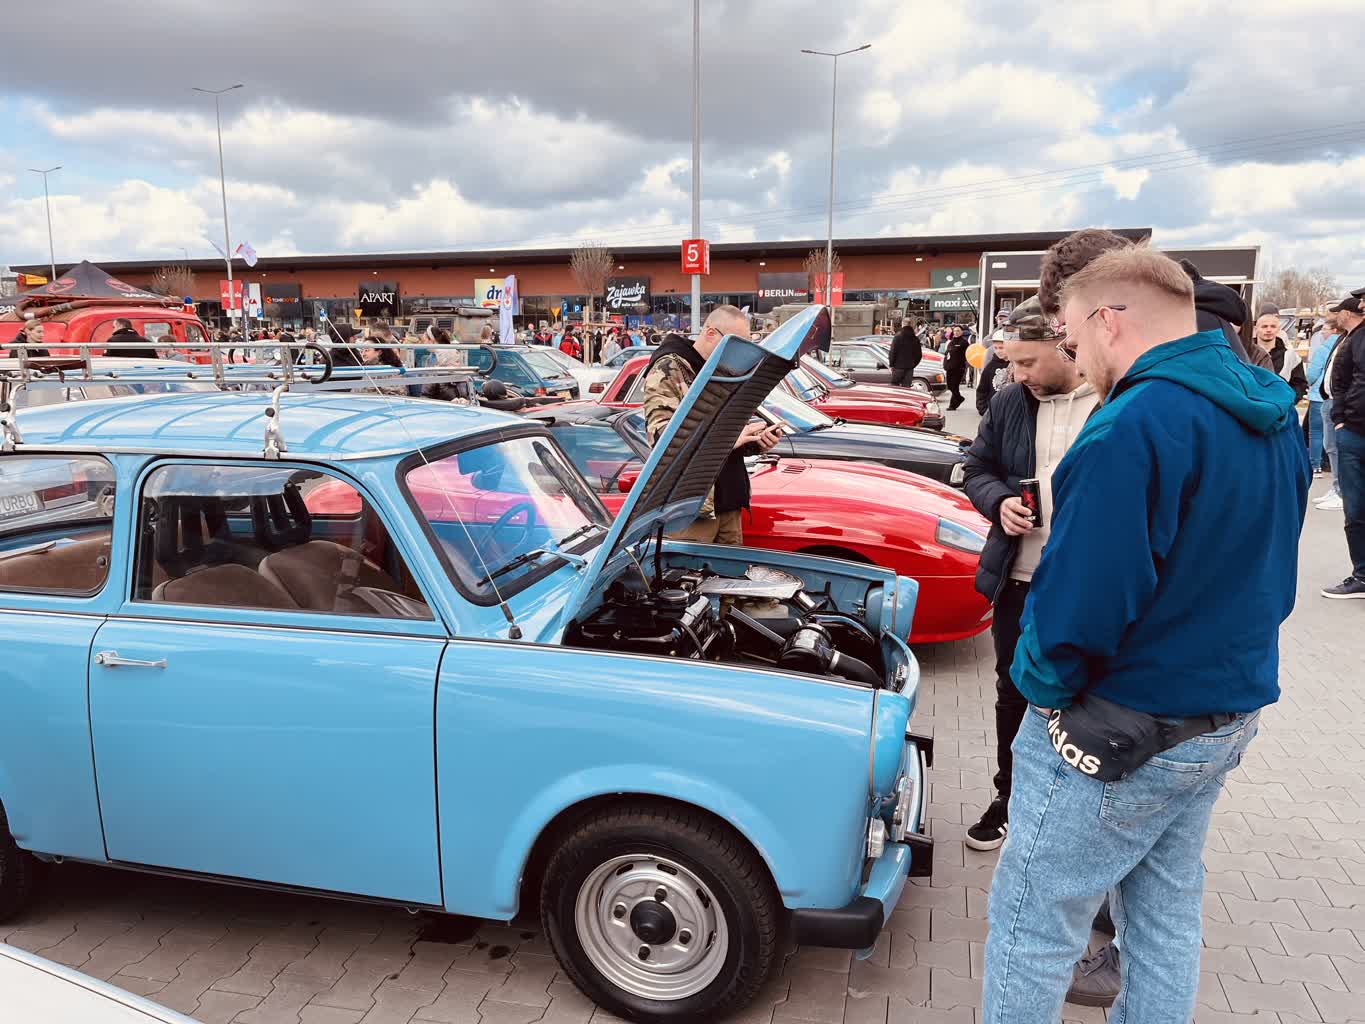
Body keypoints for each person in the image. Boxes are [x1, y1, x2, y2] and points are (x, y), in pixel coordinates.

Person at [981, 244, 1308, 1022]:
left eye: (1070, 338)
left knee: (1031, 928)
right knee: (1162, 916)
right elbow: (1271, 558)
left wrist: (1041, 694)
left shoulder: (1129, 426)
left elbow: (1080, 609)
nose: (1073, 357)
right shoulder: (1266, 408)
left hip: (1120, 724)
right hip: (1221, 712)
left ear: (1107, 319)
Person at [962, 296, 1097, 853]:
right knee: (1013, 691)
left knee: (1083, 698)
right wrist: (998, 503)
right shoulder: (1010, 402)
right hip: (1017, 577)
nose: (1016, 374)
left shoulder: (1114, 398)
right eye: (1010, 362)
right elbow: (976, 467)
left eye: (1026, 362)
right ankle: (1009, 797)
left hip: (1085, 587)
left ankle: (1072, 813)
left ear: (1065, 346)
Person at [641, 305, 781, 544]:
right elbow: (662, 438)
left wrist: (757, 442)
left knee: (730, 569)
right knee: (690, 569)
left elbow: (731, 429)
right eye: (736, 343)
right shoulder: (669, 368)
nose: (741, 352)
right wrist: (726, 440)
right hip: (692, 511)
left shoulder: (727, 370)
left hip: (730, 501)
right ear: (710, 333)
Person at [1323, 292, 1365, 598]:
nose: (1361, 305)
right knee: (1356, 508)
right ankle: (1362, 575)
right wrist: (1341, 419)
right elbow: (1340, 381)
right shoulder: (1355, 339)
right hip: (1354, 433)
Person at [1306, 315, 1341, 480]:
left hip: (1319, 395)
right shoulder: (1345, 345)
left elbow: (1313, 373)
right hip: (1336, 396)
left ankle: (1316, 465)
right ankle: (1332, 467)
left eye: (1325, 329)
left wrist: (1310, 384)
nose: (1323, 333)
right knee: (1333, 434)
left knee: (1316, 432)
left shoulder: (1323, 349)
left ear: (1334, 330)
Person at [1254, 309, 1307, 401]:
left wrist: (1288, 401)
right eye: (1264, 326)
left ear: (1278, 329)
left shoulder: (1290, 355)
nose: (1269, 330)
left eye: (1273, 326)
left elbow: (1299, 384)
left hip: (1279, 406)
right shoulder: (1244, 352)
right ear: (1256, 329)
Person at [976, 313, 1014, 415]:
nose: (998, 351)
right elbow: (982, 390)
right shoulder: (990, 366)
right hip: (993, 412)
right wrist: (984, 410)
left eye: (1001, 348)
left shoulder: (1016, 365)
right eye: (995, 348)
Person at [888, 318, 923, 388]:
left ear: (902, 324)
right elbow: (919, 355)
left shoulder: (898, 337)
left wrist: (891, 364)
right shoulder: (915, 339)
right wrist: (913, 364)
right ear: (911, 325)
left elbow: (893, 352)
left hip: (898, 367)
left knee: (895, 387)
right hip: (909, 368)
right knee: (906, 388)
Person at [942, 326, 969, 409]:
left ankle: (952, 405)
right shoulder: (951, 342)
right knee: (950, 386)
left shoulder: (964, 343)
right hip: (949, 368)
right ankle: (959, 398)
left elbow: (967, 355)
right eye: (955, 331)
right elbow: (947, 354)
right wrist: (945, 365)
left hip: (958, 368)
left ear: (962, 332)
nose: (956, 332)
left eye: (958, 331)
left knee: (954, 386)